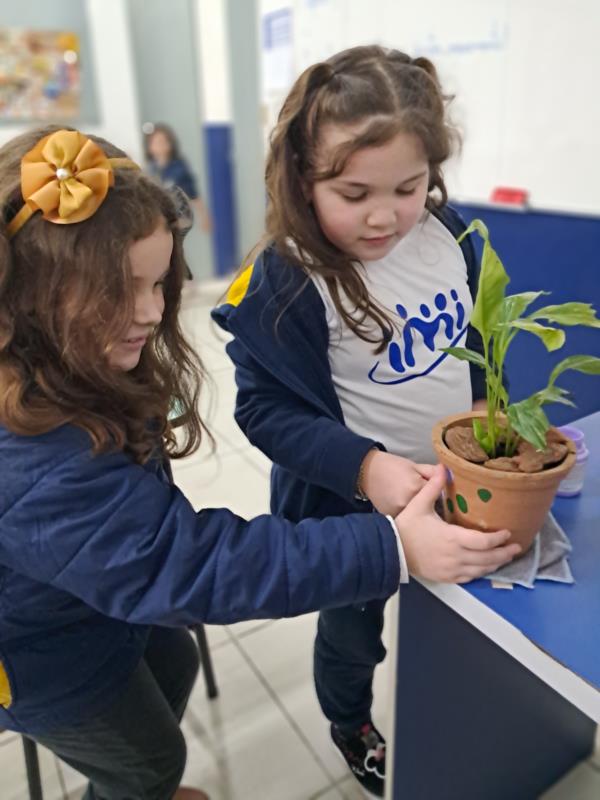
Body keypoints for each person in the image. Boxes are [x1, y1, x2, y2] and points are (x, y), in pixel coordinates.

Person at [0, 126, 519, 800]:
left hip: (101, 601)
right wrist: (390, 547)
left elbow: (140, 552)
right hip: (43, 654)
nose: (153, 313)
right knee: (149, 759)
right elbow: (184, 564)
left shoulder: (69, 364)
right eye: (120, 291)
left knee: (175, 663)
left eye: (160, 284)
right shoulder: (32, 460)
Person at [211, 45, 520, 798]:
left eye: (408, 187)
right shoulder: (285, 278)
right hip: (357, 509)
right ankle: (349, 721)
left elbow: (479, 341)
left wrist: (488, 403)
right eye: (353, 192)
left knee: (465, 607)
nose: (386, 214)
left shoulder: (453, 240)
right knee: (352, 633)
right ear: (301, 178)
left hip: (459, 481)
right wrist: (365, 467)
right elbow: (265, 408)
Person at [145, 122, 212, 236]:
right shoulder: (150, 169)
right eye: (155, 142)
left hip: (180, 220)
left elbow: (193, 193)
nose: (159, 145)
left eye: (162, 141)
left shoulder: (179, 167)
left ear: (170, 144)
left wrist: (204, 216)